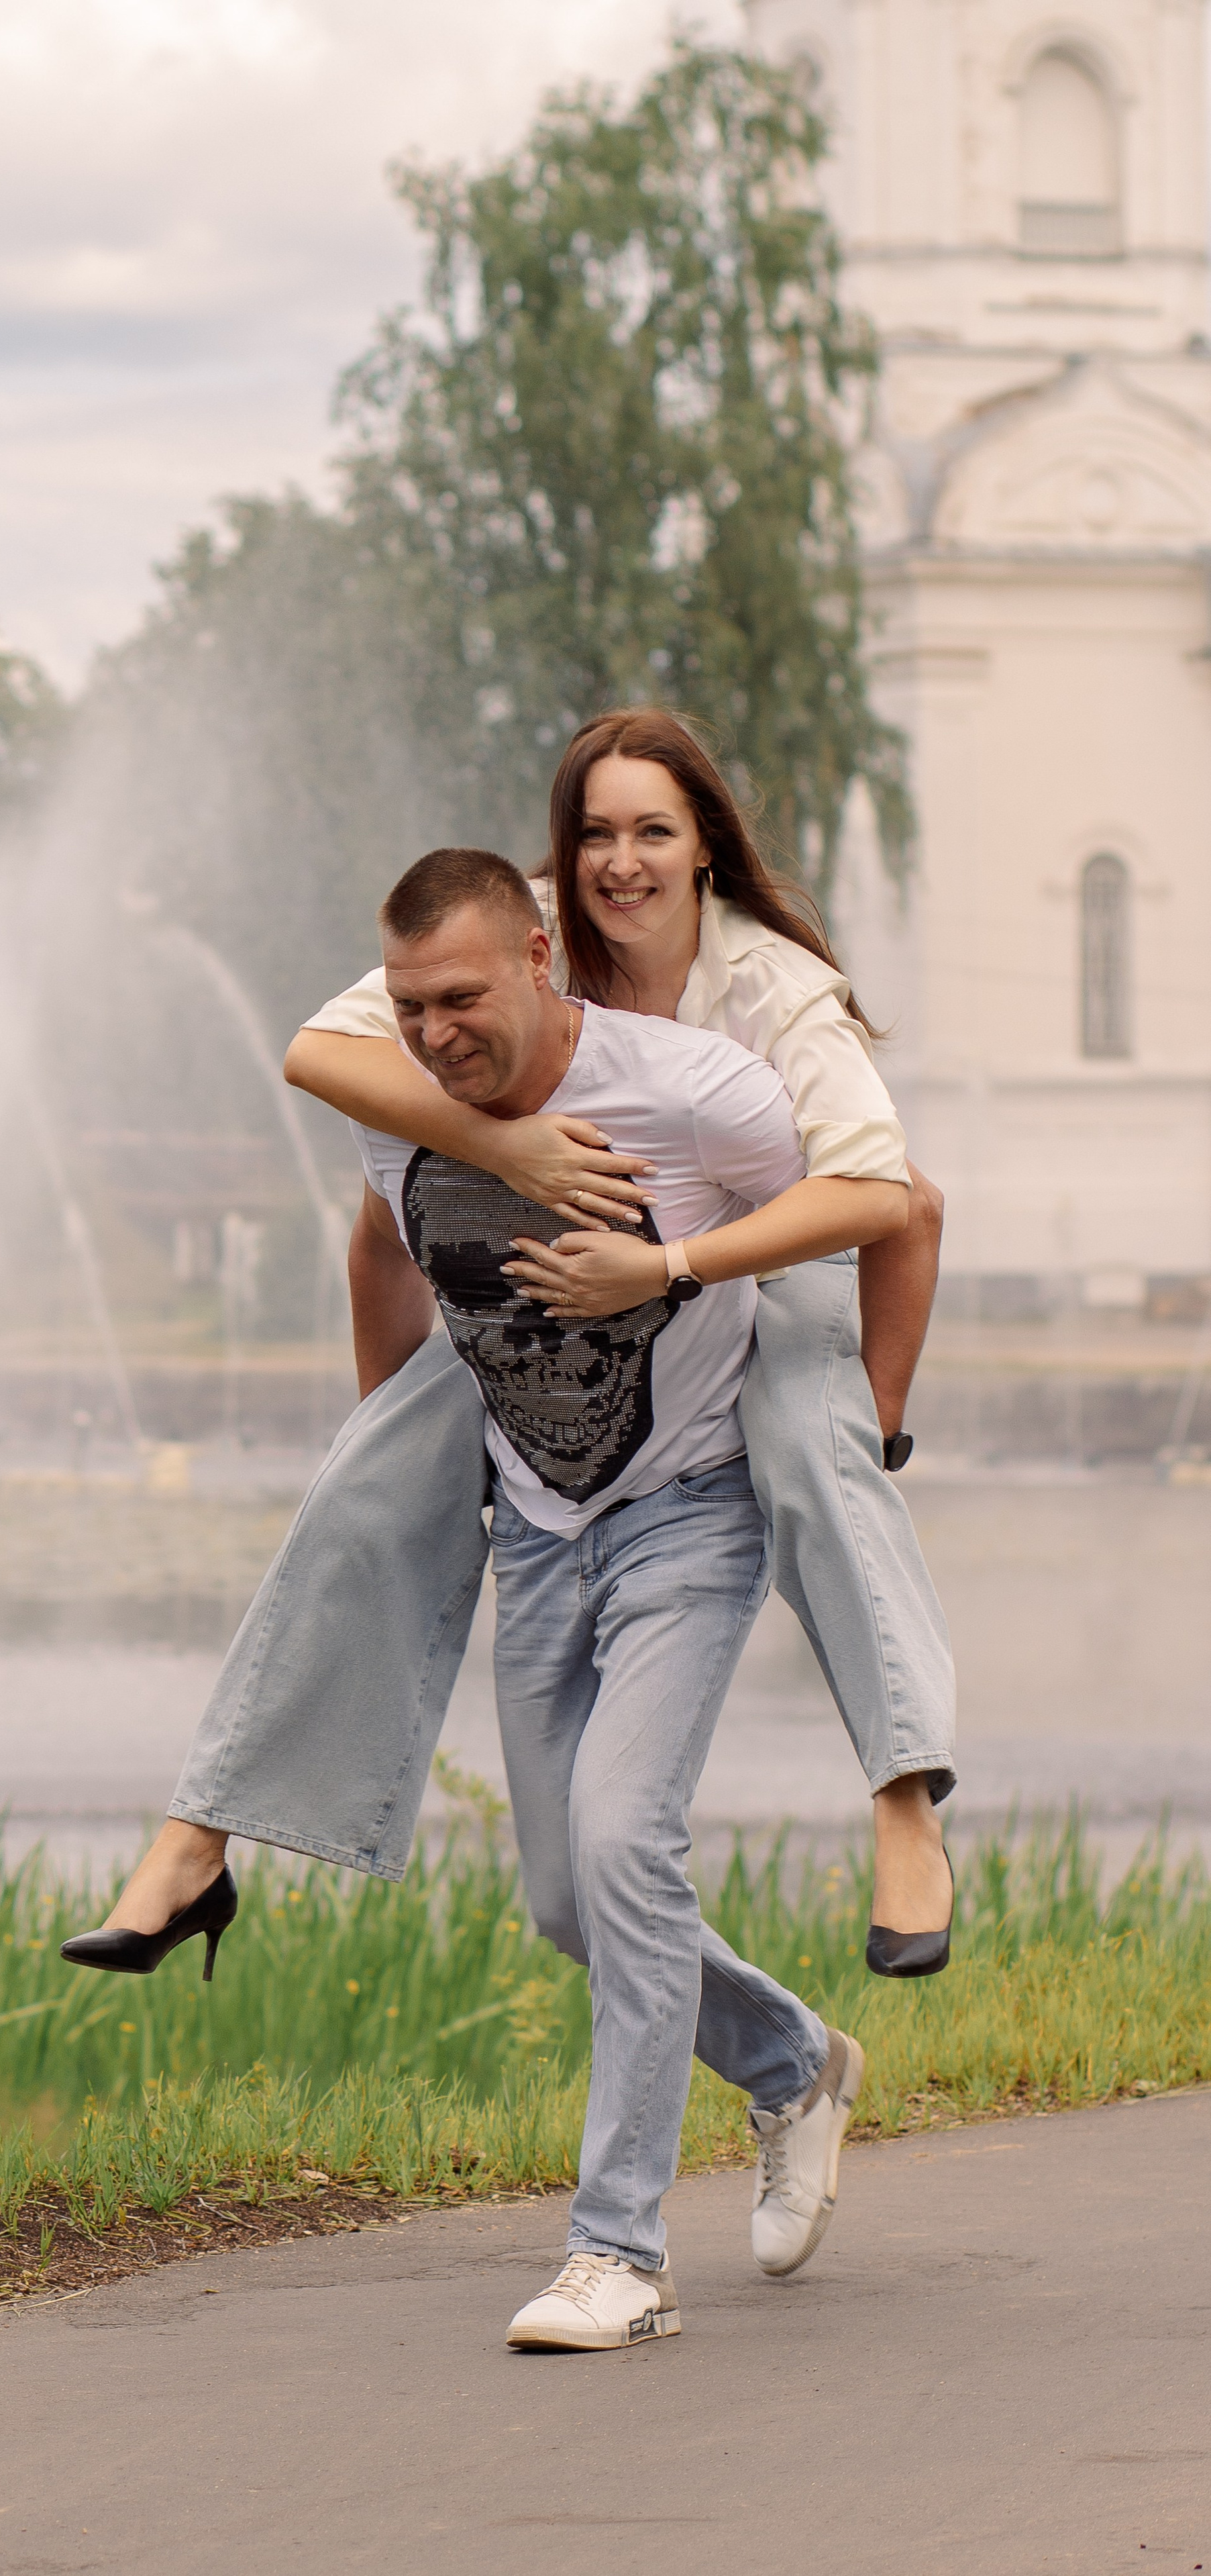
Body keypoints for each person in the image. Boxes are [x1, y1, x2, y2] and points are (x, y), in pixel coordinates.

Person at [69, 845, 906, 2345]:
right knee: (565, 1900)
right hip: (536, 1533)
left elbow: (869, 1210)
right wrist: (393, 1437)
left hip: (685, 1519)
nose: (434, 1026)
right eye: (408, 1003)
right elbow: (381, 1240)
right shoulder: (397, 1098)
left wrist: (809, 1378)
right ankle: (791, 2060)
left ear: (537, 956)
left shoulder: (695, 1086)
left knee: (622, 1849)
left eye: (460, 994)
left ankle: (616, 2253)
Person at [93, 710, 954, 1975]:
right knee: (369, 1467)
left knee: (800, 1423)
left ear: (705, 844)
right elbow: (319, 1051)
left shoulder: (771, 984)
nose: (621, 861)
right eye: (594, 830)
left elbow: (900, 1201)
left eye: (653, 830)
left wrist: (863, 1414)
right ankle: (198, 1837)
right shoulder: (521, 934)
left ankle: (905, 1805)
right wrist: (503, 1154)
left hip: (769, 1261)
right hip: (566, 1293)